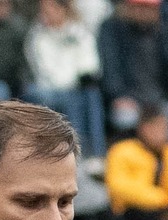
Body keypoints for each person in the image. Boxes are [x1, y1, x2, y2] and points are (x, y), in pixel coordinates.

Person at [98, 0, 168, 148]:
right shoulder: (112, 30)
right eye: (138, 7)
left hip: (160, 104)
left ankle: (162, 157)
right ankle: (140, 157)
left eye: (148, 7)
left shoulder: (167, 30)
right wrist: (118, 95)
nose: (143, 11)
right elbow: (110, 67)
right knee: (125, 119)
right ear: (128, 7)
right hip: (130, 103)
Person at [24, 0, 106, 162]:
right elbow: (41, 67)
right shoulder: (37, 35)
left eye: (50, 9)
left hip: (75, 85)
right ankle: (75, 152)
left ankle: (96, 154)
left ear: (62, 10)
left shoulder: (79, 32)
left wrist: (80, 78)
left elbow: (89, 62)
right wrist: (69, 84)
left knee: (92, 94)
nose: (45, 14)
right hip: (48, 87)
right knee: (69, 98)